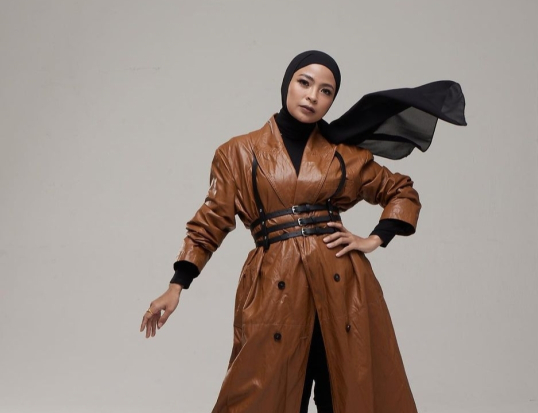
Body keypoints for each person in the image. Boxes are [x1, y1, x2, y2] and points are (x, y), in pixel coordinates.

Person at [140, 50, 466, 413]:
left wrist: (374, 239)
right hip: (274, 288)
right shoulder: (237, 152)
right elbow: (210, 221)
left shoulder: (344, 154)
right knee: (265, 393)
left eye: (326, 91)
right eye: (305, 82)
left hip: (342, 286)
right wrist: (177, 285)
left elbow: (401, 191)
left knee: (342, 393)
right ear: (287, 84)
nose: (312, 96)